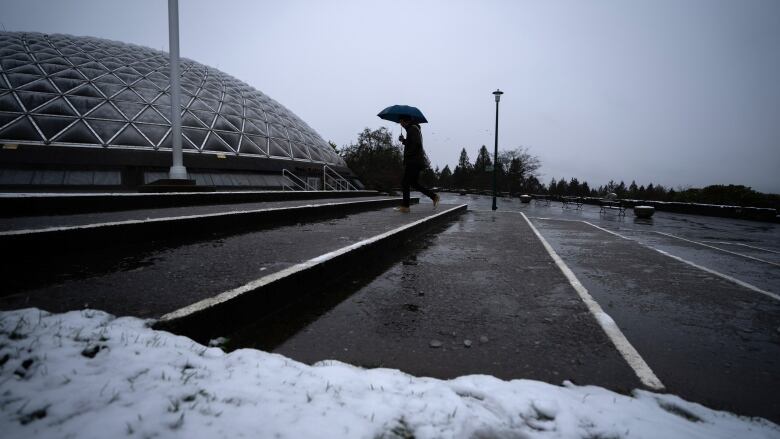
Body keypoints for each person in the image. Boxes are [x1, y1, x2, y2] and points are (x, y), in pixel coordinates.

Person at [396, 116, 439, 212]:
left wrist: (408, 155)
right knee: (413, 183)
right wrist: (403, 141)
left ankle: (405, 207)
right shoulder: (412, 129)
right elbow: (412, 143)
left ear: (405, 121)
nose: (400, 124)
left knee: (405, 182)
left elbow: (416, 144)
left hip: (413, 161)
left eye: (401, 121)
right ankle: (434, 196)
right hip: (416, 161)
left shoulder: (412, 129)